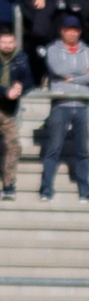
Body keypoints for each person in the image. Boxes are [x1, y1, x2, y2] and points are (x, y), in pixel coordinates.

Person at [40, 14, 89, 202]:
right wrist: (83, 73)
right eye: (68, 30)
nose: (72, 33)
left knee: (83, 151)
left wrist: (72, 78)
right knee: (53, 149)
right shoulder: (53, 49)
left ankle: (85, 190)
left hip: (82, 105)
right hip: (61, 104)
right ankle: (46, 188)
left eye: (75, 30)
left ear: (79, 32)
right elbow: (58, 69)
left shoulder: (88, 51)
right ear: (62, 31)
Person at [0, 26, 33, 201]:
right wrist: (6, 91)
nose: (7, 45)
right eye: (3, 42)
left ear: (15, 43)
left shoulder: (21, 58)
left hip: (8, 111)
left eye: (10, 42)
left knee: (13, 146)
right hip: (4, 100)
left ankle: (8, 184)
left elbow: (29, 80)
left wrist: (20, 86)